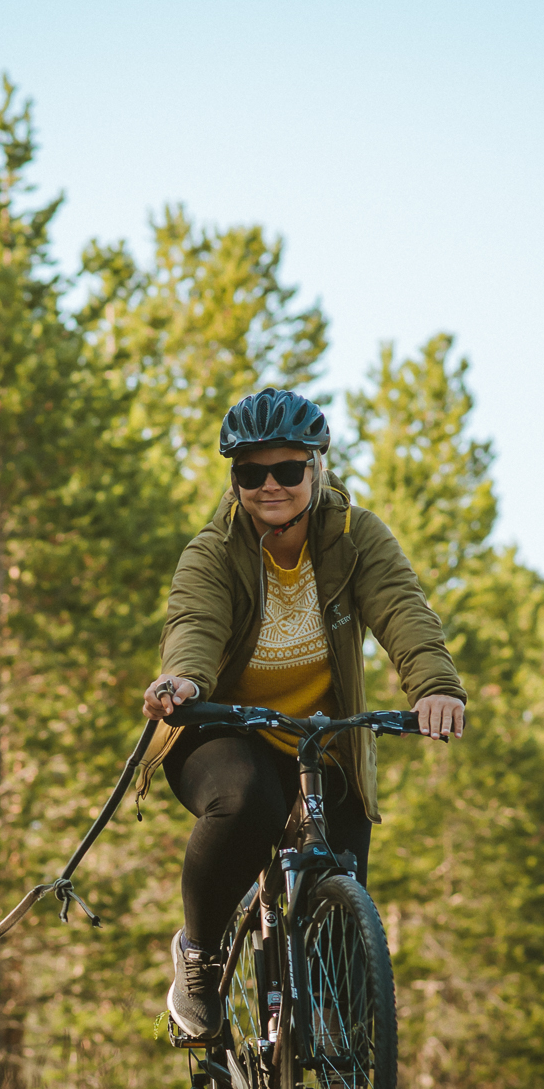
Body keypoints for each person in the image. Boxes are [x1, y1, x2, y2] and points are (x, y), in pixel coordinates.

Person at [141, 388, 467, 1036]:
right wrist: (181, 680)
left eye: (288, 469)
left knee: (346, 899)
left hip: (323, 744)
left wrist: (434, 685)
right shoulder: (214, 552)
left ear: (318, 465)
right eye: (250, 472)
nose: (270, 486)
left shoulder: (355, 537)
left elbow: (403, 609)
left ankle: (348, 1082)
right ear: (234, 479)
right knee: (248, 796)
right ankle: (199, 954)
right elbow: (195, 624)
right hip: (222, 734)